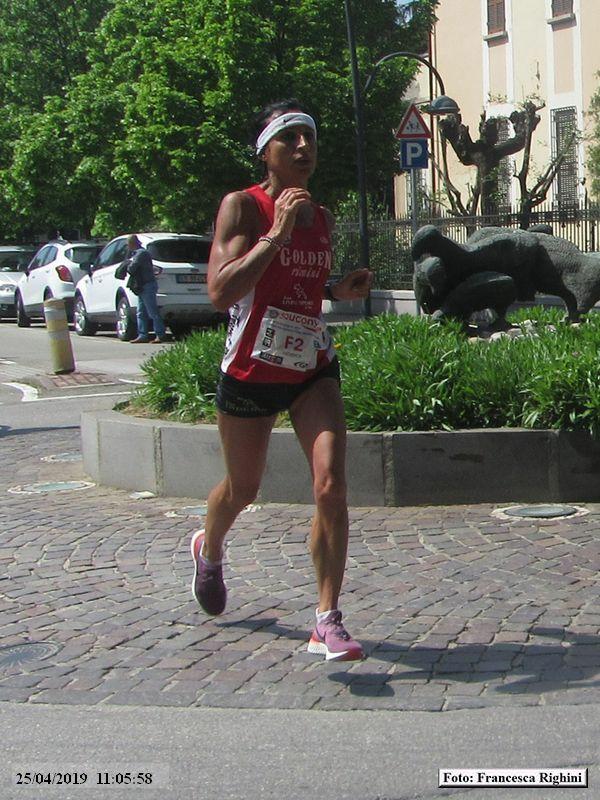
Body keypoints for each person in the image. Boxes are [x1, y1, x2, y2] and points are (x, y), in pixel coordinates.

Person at [190, 99, 372, 662]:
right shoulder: (244, 207)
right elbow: (220, 292)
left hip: (310, 367)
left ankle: (327, 619)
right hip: (251, 370)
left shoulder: (321, 217)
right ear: (265, 152)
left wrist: (337, 291)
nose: (302, 147)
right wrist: (277, 231)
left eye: (309, 137)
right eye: (289, 138)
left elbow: (297, 289)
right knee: (243, 488)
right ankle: (209, 547)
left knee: (331, 486)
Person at [126, 234, 168, 344]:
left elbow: (132, 268)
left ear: (132, 243)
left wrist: (127, 264)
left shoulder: (141, 253)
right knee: (141, 312)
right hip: (142, 285)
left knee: (152, 311)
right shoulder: (138, 253)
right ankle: (142, 335)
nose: (128, 247)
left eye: (128, 244)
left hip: (147, 285)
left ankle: (160, 334)